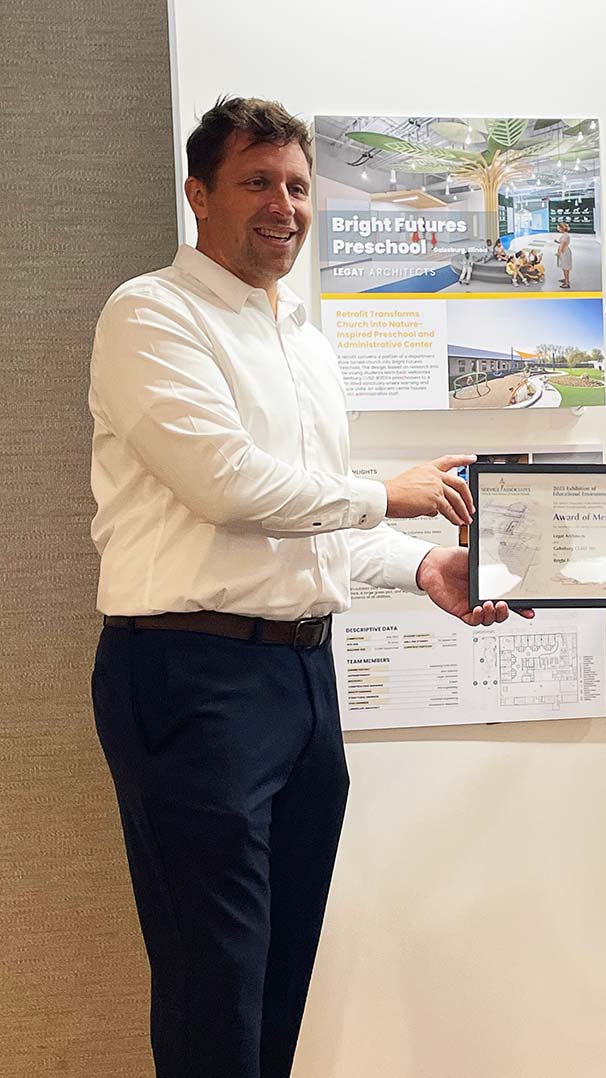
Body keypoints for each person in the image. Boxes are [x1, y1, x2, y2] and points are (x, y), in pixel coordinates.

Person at [88, 96, 531, 1078]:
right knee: (216, 983)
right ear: (198, 194)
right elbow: (230, 487)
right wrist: (389, 493)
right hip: (187, 674)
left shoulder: (305, 340)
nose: (282, 204)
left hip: (299, 679)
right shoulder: (151, 314)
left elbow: (307, 539)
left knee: (277, 973)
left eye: (296, 185)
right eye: (257, 182)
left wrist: (421, 565)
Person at [555, 221, 572, 288]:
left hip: (564, 253)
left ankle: (567, 283)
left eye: (559, 228)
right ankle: (566, 279)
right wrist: (557, 242)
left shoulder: (565, 235)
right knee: (565, 267)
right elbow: (562, 242)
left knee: (565, 268)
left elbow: (562, 246)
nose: (558, 229)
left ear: (562, 228)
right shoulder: (565, 235)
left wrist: (558, 253)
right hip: (565, 252)